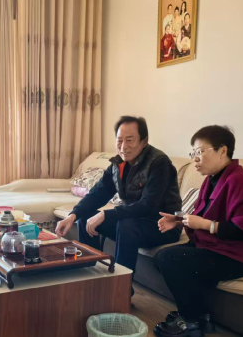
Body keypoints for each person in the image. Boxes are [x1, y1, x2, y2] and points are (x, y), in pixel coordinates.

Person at [153, 126, 243, 337]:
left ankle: (190, 321)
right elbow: (203, 216)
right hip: (219, 246)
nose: (195, 159)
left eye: (200, 151)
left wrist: (206, 225)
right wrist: (178, 220)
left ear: (222, 151)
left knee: (168, 258)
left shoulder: (241, 180)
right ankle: (201, 315)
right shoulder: (212, 179)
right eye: (193, 153)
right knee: (160, 258)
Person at [56, 116, 183, 292]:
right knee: (85, 218)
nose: (123, 146)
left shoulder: (159, 163)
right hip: (133, 220)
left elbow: (148, 205)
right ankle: (92, 278)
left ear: (144, 141)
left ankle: (120, 291)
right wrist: (73, 215)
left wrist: (106, 214)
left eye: (129, 140)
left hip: (162, 225)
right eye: (119, 140)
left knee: (126, 224)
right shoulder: (117, 164)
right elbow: (98, 194)